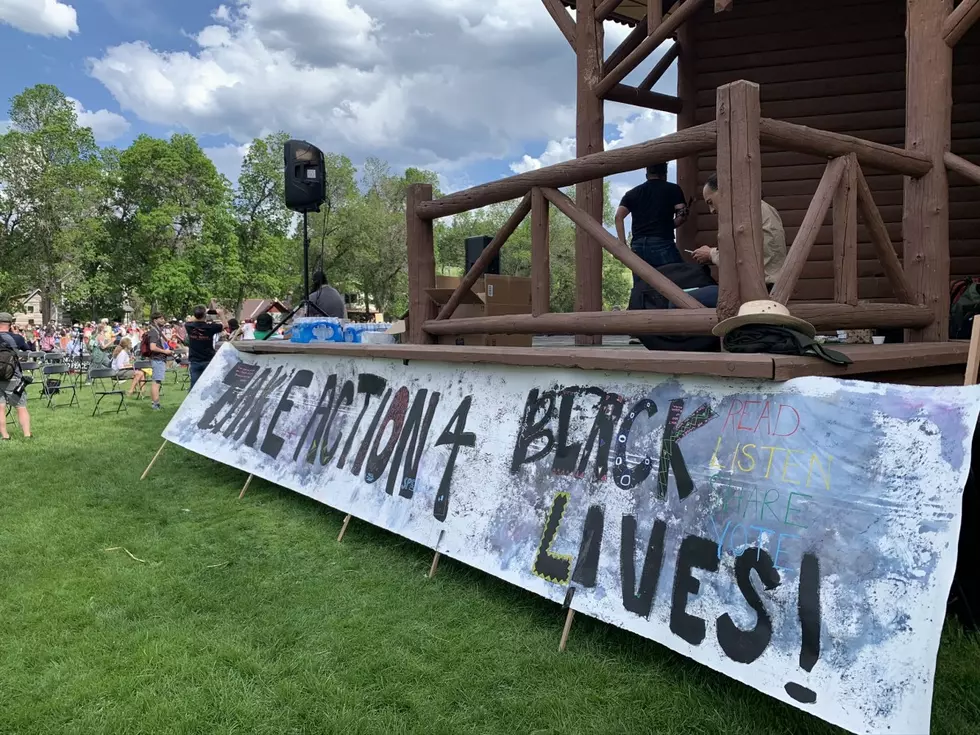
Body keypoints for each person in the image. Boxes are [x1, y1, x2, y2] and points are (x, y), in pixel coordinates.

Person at [693, 173, 788, 289]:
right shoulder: (764, 208)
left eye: (710, 202)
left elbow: (737, 260)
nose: (711, 210)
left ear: (724, 190)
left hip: (756, 289)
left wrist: (710, 254)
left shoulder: (745, 212)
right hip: (769, 285)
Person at [615, 162, 690, 289]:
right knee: (679, 282)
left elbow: (618, 217)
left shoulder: (632, 193)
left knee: (642, 287)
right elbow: (681, 216)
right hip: (662, 243)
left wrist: (623, 246)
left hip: (638, 246)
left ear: (647, 174)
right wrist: (667, 225)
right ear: (665, 174)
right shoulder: (673, 189)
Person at [0, 312, 32, 440]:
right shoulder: (16, 338)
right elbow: (27, 348)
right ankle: (27, 435)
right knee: (20, 406)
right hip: (13, 375)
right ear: (10, 324)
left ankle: (5, 435)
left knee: (0, 407)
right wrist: (15, 333)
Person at [184, 305, 224, 389]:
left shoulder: (189, 326)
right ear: (205, 315)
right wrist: (221, 314)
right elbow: (226, 325)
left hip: (194, 360)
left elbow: (190, 319)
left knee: (194, 386)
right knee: (209, 385)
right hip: (208, 360)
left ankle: (192, 401)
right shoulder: (211, 327)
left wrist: (201, 312)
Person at [147, 313, 174, 410]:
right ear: (155, 320)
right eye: (161, 318)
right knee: (156, 382)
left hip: (159, 359)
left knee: (156, 381)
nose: (163, 320)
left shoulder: (158, 331)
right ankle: (155, 405)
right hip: (157, 359)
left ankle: (154, 403)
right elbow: (152, 347)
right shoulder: (154, 332)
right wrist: (165, 351)